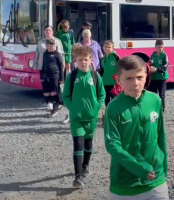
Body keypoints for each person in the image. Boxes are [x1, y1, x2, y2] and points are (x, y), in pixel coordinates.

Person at [104, 55, 169, 200]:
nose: (135, 83)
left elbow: (160, 135)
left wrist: (163, 166)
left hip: (156, 182)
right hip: (125, 186)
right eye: (128, 78)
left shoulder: (155, 100)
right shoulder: (114, 107)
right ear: (118, 80)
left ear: (146, 77)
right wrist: (137, 167)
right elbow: (112, 145)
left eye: (139, 77)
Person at [62, 46, 106, 188]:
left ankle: (86, 166)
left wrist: (96, 108)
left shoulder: (95, 75)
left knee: (88, 145)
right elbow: (66, 96)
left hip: (91, 118)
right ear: (76, 61)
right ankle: (77, 177)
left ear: (90, 60)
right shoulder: (72, 76)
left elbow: (102, 95)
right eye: (80, 60)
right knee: (78, 145)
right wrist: (72, 108)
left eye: (85, 60)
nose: (83, 62)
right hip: (77, 119)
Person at [33, 25, 64, 111]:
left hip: (55, 69)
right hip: (43, 67)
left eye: (50, 30)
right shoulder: (40, 42)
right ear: (44, 32)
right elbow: (37, 54)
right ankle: (49, 103)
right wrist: (34, 64)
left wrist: (63, 66)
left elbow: (61, 55)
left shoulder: (57, 41)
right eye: (46, 30)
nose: (48, 32)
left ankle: (57, 103)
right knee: (45, 86)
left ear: (52, 32)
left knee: (55, 87)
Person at [40, 38, 64, 117]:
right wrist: (41, 75)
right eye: (50, 46)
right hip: (46, 75)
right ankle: (50, 104)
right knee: (46, 93)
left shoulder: (57, 54)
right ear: (47, 46)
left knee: (54, 92)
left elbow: (61, 66)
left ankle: (55, 108)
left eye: (53, 46)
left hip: (55, 75)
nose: (51, 48)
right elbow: (43, 65)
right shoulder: (45, 54)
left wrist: (62, 78)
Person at [62, 43, 83, 125]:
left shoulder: (81, 60)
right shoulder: (74, 60)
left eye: (73, 51)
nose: (72, 53)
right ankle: (70, 115)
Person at [147, 39, 169, 112]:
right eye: (159, 47)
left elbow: (165, 67)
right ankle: (154, 108)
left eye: (162, 47)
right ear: (155, 47)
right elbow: (149, 63)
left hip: (161, 78)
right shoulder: (153, 54)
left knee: (161, 95)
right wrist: (150, 64)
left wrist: (156, 69)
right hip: (153, 78)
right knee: (153, 94)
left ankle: (162, 110)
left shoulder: (164, 55)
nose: (160, 49)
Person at [101, 40, 120, 107]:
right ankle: (107, 113)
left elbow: (121, 67)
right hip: (105, 82)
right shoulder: (103, 58)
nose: (107, 48)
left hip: (114, 83)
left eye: (109, 47)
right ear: (103, 47)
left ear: (112, 48)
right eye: (105, 47)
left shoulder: (115, 56)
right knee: (106, 100)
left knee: (114, 99)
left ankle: (115, 114)